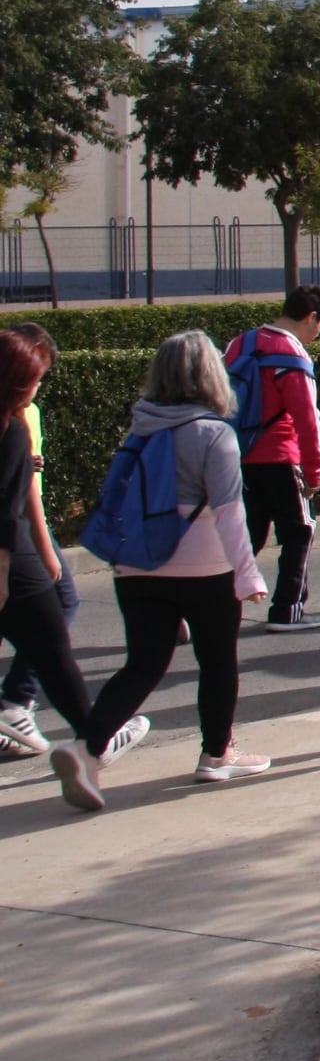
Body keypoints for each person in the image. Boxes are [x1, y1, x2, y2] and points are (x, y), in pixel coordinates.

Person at [50, 333, 274, 810]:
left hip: (137, 565)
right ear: (212, 374)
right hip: (205, 566)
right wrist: (247, 573)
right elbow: (231, 513)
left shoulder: (141, 428)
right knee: (217, 661)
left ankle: (86, 748)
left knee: (142, 664)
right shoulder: (214, 433)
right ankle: (216, 754)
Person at [1, 332, 125, 777]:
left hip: (16, 555)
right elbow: (11, 505)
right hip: (15, 560)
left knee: (51, 644)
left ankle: (90, 737)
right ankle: (95, 741)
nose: (39, 387)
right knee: (54, 647)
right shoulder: (14, 426)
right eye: (36, 378)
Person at [224, 288, 320, 632]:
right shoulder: (292, 353)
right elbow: (306, 420)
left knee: (248, 535)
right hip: (282, 457)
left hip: (238, 456)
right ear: (311, 317)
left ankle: (217, 605)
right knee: (300, 531)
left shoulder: (239, 344)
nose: (318, 335)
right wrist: (314, 472)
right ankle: (288, 609)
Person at [0, 323, 80, 758]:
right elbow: (21, 489)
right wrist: (45, 545)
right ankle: (17, 704)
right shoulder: (16, 416)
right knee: (58, 612)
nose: (39, 385)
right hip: (21, 531)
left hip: (21, 530)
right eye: (37, 374)